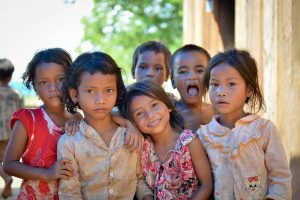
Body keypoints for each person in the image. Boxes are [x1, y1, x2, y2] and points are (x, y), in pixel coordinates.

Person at [197, 49, 292, 199]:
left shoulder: (264, 130)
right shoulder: (204, 136)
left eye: (231, 84)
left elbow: (280, 178)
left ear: (249, 90)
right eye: (214, 84)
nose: (221, 92)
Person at [57, 52, 153, 199]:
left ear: (117, 92)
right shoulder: (69, 142)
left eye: (108, 90)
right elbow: (70, 192)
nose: (100, 100)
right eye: (90, 91)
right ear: (75, 95)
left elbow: (139, 178)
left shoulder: (130, 135)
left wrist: (147, 197)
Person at [3, 48, 82, 199]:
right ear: (35, 87)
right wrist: (47, 174)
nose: (53, 88)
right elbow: (9, 165)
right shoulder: (28, 120)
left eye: (60, 79)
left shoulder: (77, 119)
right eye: (44, 82)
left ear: (72, 80)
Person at [122, 80, 213, 199]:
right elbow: (141, 180)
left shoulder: (189, 142)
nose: (150, 115)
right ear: (134, 122)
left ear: (168, 106)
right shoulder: (143, 147)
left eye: (154, 105)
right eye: (139, 113)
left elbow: (207, 185)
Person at [170, 44, 215, 131]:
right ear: (173, 81)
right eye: (183, 72)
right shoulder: (168, 115)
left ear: (211, 77)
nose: (192, 77)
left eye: (200, 71)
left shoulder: (218, 112)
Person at [0, 58, 22, 198]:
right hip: (12, 132)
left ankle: (6, 178)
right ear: (11, 76)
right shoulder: (17, 94)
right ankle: (7, 178)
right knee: (6, 158)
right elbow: (21, 115)